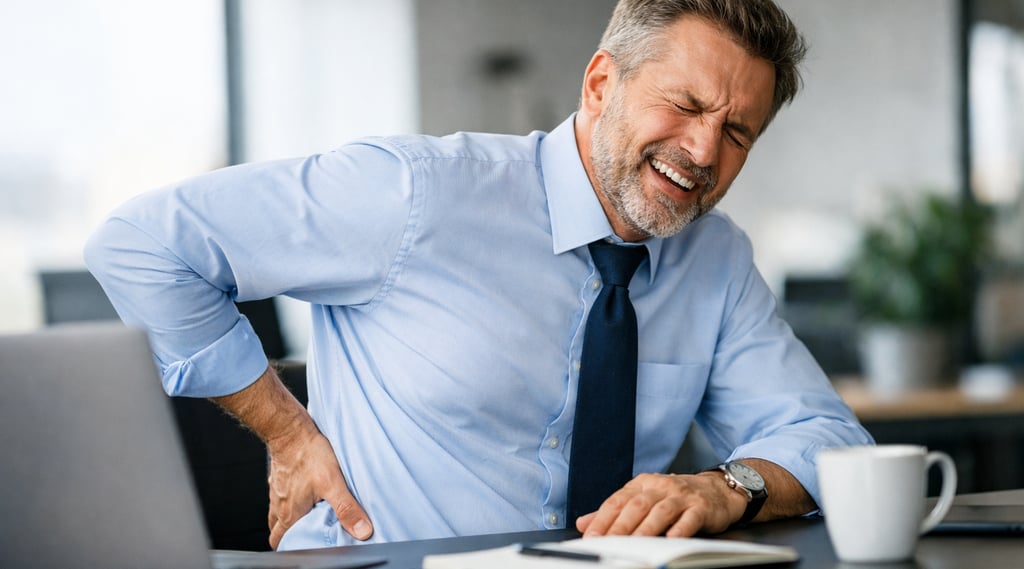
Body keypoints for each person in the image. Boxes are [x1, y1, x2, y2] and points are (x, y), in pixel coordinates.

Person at [85, 0, 873, 551]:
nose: (704, 151)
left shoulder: (716, 259)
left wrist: (727, 485)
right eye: (686, 104)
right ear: (602, 84)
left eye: (737, 131)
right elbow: (142, 244)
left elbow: (832, 439)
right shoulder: (413, 192)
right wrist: (287, 432)